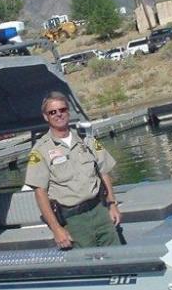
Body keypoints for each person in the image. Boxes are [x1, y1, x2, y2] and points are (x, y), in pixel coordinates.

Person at [25, 91, 122, 249]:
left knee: (118, 259)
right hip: (73, 220)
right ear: (45, 116)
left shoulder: (87, 140)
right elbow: (40, 193)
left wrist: (112, 204)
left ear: (68, 112)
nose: (59, 115)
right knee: (88, 268)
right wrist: (57, 229)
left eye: (62, 110)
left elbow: (103, 171)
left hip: (100, 211)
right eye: (53, 112)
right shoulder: (41, 150)